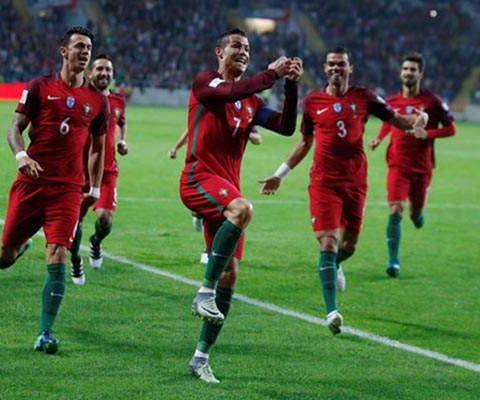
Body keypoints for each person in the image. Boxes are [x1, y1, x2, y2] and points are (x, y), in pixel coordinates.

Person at [259, 47, 428, 335]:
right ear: (325, 69)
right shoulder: (312, 102)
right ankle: (332, 311)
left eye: (341, 64)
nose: (336, 68)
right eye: (331, 64)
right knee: (328, 242)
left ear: (351, 68)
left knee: (348, 247)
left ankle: (335, 265)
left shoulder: (364, 97)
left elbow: (399, 121)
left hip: (356, 182)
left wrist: (419, 120)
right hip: (324, 182)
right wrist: (279, 175)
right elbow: (304, 142)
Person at [180, 27, 302, 383]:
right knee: (244, 209)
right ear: (219, 52)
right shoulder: (207, 83)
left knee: (231, 275)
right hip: (198, 179)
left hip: (226, 190)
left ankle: (200, 358)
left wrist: (291, 85)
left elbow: (285, 126)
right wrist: (273, 74)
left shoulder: (252, 103)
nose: (243, 51)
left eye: (247, 47)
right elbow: (234, 89)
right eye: (236, 46)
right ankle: (203, 292)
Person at [0, 26, 108, 354]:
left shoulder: (97, 101)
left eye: (89, 47)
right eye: (79, 47)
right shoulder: (39, 87)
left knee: (59, 250)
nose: (85, 52)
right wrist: (22, 156)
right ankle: (22, 243)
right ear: (64, 52)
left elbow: (99, 148)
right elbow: (14, 128)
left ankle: (45, 332)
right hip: (31, 183)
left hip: (68, 190)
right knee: (5, 257)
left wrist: (96, 187)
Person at [368, 52, 456, 278]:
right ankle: (393, 261)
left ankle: (418, 216)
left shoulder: (433, 102)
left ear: (420, 74)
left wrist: (426, 133)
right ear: (400, 73)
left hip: (423, 167)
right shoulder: (392, 101)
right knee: (395, 208)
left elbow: (451, 128)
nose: (408, 72)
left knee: (414, 215)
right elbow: (389, 122)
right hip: (397, 164)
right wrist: (379, 138)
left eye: (413, 70)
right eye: (405, 69)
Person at [69, 53, 129, 285]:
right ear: (90, 73)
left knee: (105, 218)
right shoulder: (81, 98)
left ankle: (95, 242)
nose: (104, 73)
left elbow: (122, 122)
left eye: (108, 70)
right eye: (100, 69)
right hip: (78, 171)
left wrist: (123, 141)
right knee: (75, 222)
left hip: (107, 171)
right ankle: (75, 260)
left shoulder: (118, 102)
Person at [169, 126, 262, 265]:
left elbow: (258, 139)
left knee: (227, 211)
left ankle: (210, 250)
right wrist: (176, 147)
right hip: (206, 167)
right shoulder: (213, 114)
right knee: (219, 209)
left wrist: (244, 132)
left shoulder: (241, 116)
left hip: (228, 170)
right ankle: (200, 217)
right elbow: (192, 129)